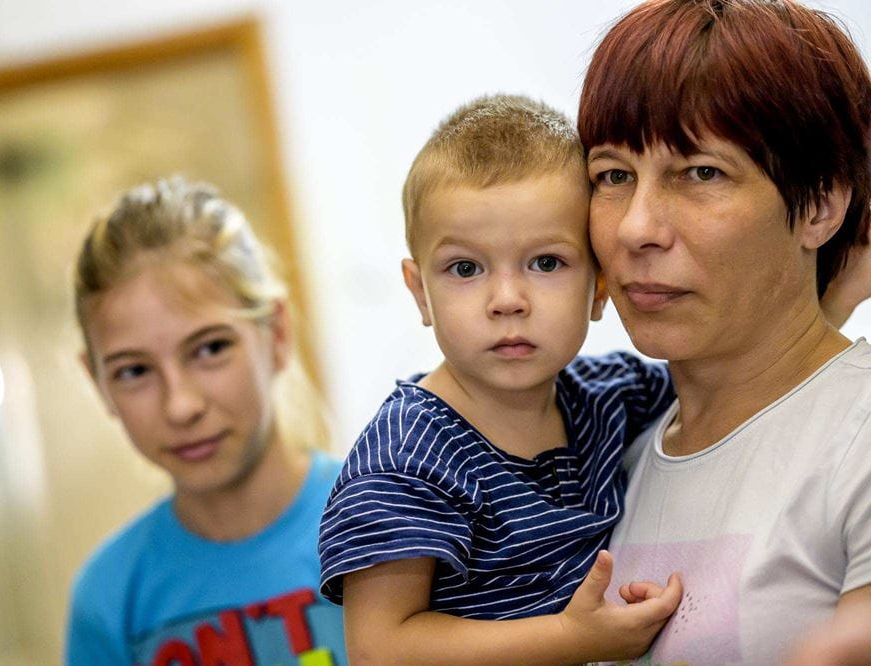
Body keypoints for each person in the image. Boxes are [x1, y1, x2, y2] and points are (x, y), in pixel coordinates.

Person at [318, 95, 684, 665]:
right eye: (466, 269)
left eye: (546, 263)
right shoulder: (406, 458)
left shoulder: (613, 397)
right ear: (421, 293)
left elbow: (742, 375)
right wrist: (574, 639)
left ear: (600, 287)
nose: (508, 300)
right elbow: (380, 649)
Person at [577, 0, 871, 662]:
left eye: (701, 172)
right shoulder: (606, 460)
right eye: (612, 176)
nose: (635, 227)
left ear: (821, 203)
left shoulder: (858, 437)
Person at [64, 177, 346, 665]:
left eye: (211, 348)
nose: (180, 406)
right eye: (134, 371)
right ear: (98, 385)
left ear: (276, 334)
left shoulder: (394, 526)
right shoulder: (111, 598)